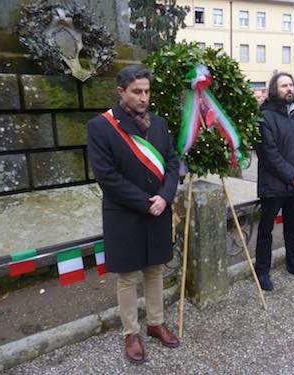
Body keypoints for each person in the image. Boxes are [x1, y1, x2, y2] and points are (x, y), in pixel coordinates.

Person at [87, 65, 180, 364]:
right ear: (121, 92)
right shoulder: (101, 127)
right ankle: (131, 332)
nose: (143, 98)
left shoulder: (161, 124)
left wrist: (165, 197)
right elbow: (107, 176)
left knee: (154, 270)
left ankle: (155, 323)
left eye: (147, 91)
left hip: (158, 209)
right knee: (127, 276)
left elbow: (173, 163)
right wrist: (146, 202)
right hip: (125, 213)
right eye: (137, 92)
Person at [254, 72, 294, 291]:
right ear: (274, 90)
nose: (289, 89)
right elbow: (269, 154)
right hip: (274, 185)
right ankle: (262, 270)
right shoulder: (264, 116)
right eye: (284, 86)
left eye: (291, 85)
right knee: (266, 230)